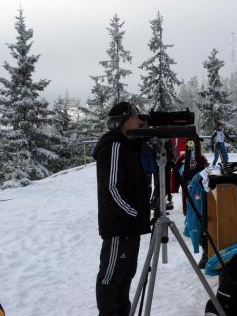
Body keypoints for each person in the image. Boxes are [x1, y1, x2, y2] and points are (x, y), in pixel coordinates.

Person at [93, 101, 151, 316]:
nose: (140, 119)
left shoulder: (127, 146)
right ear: (122, 122)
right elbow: (111, 189)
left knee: (125, 277)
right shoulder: (114, 147)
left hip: (129, 227)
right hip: (120, 227)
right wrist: (133, 214)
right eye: (135, 116)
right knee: (111, 278)